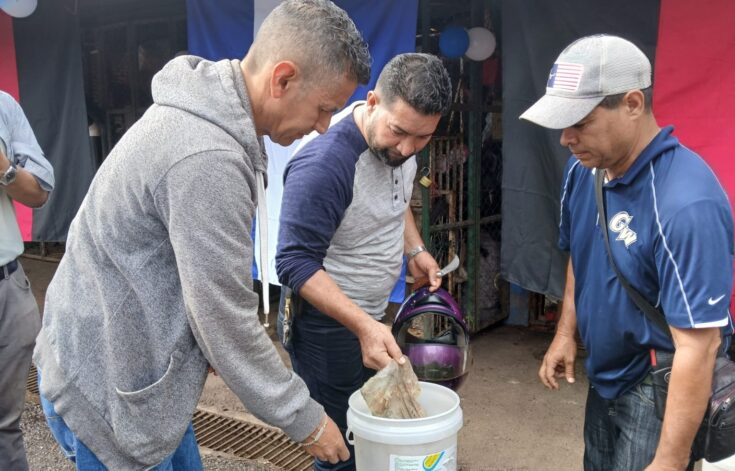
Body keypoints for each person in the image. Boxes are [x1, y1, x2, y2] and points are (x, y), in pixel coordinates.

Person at [33, 1, 370, 469]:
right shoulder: (206, 156)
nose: (322, 125)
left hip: (140, 377)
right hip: (104, 392)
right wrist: (308, 420)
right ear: (283, 79)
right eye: (324, 108)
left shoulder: (211, 117)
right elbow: (226, 320)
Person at [521, 35, 734, 471]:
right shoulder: (584, 171)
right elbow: (580, 255)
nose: (565, 138)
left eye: (580, 121)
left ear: (633, 104)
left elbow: (700, 345)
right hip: (604, 377)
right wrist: (566, 332)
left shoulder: (687, 202)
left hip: (658, 385)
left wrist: (670, 462)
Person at [275, 52, 452, 470]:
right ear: (372, 102)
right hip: (326, 326)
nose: (407, 149)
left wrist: (415, 250)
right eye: (399, 132)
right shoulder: (324, 164)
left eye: (422, 138)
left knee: (374, 431)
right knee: (341, 447)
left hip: (369, 318)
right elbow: (294, 263)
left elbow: (397, 202)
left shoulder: (400, 145)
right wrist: (362, 327)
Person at [0, 91, 55, 471]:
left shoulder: (3, 106)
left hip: (8, 287)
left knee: (5, 426)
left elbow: (39, 192)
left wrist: (4, 169)